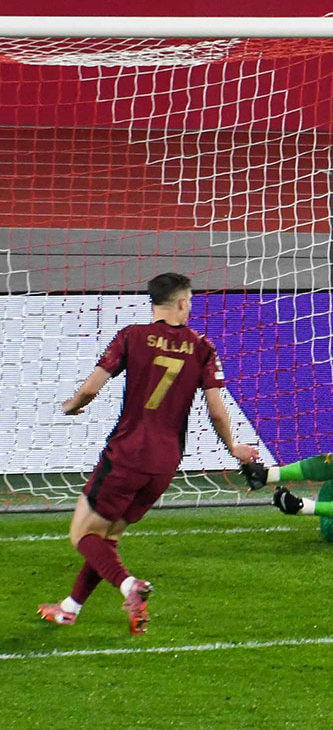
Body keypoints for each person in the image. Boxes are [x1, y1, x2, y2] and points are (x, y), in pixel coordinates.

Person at [38, 272, 260, 634]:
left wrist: (70, 406)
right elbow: (217, 410)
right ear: (182, 303)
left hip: (127, 455)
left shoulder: (131, 336)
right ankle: (69, 608)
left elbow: (91, 388)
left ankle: (130, 586)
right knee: (108, 539)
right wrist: (233, 447)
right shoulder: (202, 347)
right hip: (165, 463)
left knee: (82, 535)